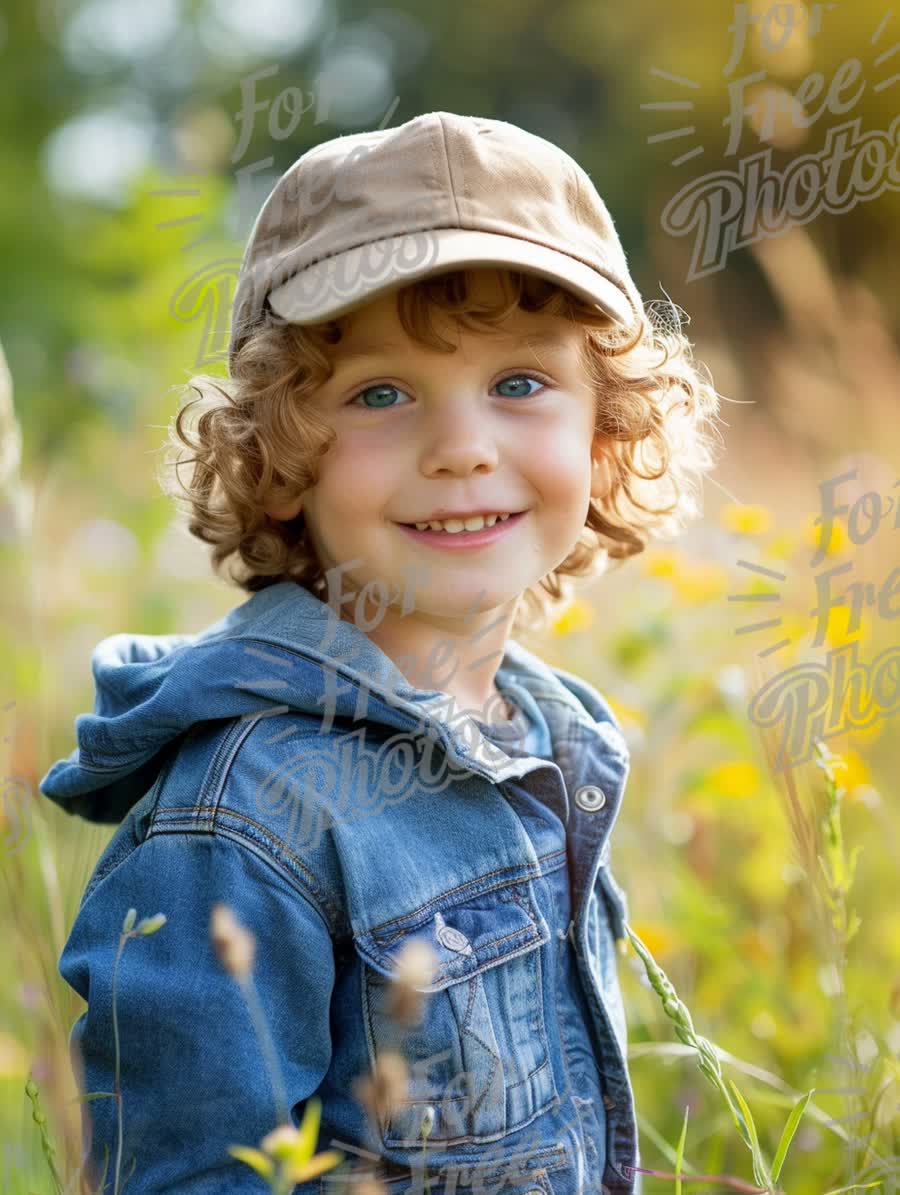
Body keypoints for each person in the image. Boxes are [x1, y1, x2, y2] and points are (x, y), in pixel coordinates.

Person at [40, 111, 722, 1195]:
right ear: (277, 455)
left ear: (607, 432)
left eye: (519, 383)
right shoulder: (240, 820)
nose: (461, 448)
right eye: (380, 393)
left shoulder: (552, 734)